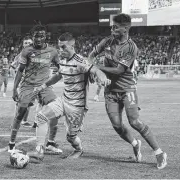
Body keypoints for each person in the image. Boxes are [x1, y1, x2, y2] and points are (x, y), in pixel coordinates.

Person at [88, 13, 167, 170]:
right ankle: (135, 143)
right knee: (117, 125)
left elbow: (118, 70)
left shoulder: (131, 47)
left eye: (115, 27)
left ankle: (159, 153)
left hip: (127, 89)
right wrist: (92, 68)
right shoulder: (107, 41)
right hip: (110, 91)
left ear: (125, 29)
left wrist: (97, 68)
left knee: (134, 121)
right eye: (111, 26)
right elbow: (91, 55)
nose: (112, 29)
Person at [27, 32, 111, 162]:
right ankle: (39, 151)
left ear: (72, 46)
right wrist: (43, 86)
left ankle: (78, 150)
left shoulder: (80, 62)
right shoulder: (63, 61)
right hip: (63, 100)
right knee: (41, 116)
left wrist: (103, 78)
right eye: (59, 47)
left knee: (71, 137)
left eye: (63, 47)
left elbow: (95, 70)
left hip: (77, 107)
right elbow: (58, 76)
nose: (60, 50)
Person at [8, 25, 62, 154]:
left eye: (41, 36)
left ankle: (50, 143)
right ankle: (11, 144)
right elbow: (20, 71)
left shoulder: (53, 51)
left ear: (45, 37)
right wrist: (15, 89)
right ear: (33, 37)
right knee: (21, 112)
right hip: (28, 86)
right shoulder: (27, 51)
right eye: (36, 36)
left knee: (55, 110)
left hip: (44, 86)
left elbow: (61, 68)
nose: (39, 38)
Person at [11, 36, 34, 128]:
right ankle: (16, 121)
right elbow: (12, 68)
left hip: (33, 82)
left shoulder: (35, 54)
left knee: (29, 103)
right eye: (26, 43)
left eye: (29, 43)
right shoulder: (20, 56)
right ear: (23, 45)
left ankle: (24, 121)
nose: (28, 44)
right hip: (23, 82)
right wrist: (15, 80)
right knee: (21, 102)